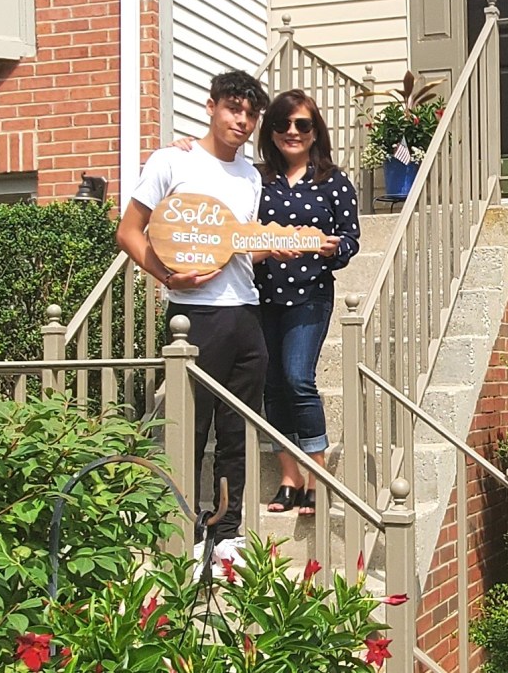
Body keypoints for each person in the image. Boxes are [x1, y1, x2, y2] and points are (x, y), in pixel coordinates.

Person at [116, 70, 271, 566]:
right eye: (233, 109)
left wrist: (280, 246)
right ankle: (183, 532)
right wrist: (166, 276)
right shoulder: (172, 161)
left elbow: (238, 248)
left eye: (250, 114)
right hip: (195, 316)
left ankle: (227, 534)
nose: (242, 121)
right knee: (192, 428)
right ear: (211, 107)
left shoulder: (251, 176)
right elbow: (129, 231)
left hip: (245, 310)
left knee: (238, 429)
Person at [255, 90, 360, 516]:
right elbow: (238, 230)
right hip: (261, 293)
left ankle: (317, 476)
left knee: (298, 378)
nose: (292, 132)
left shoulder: (333, 181)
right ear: (270, 132)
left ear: (315, 132)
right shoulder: (257, 180)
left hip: (310, 294)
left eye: (302, 124)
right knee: (271, 385)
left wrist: (334, 248)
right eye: (282, 124)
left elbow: (351, 238)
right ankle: (289, 478)